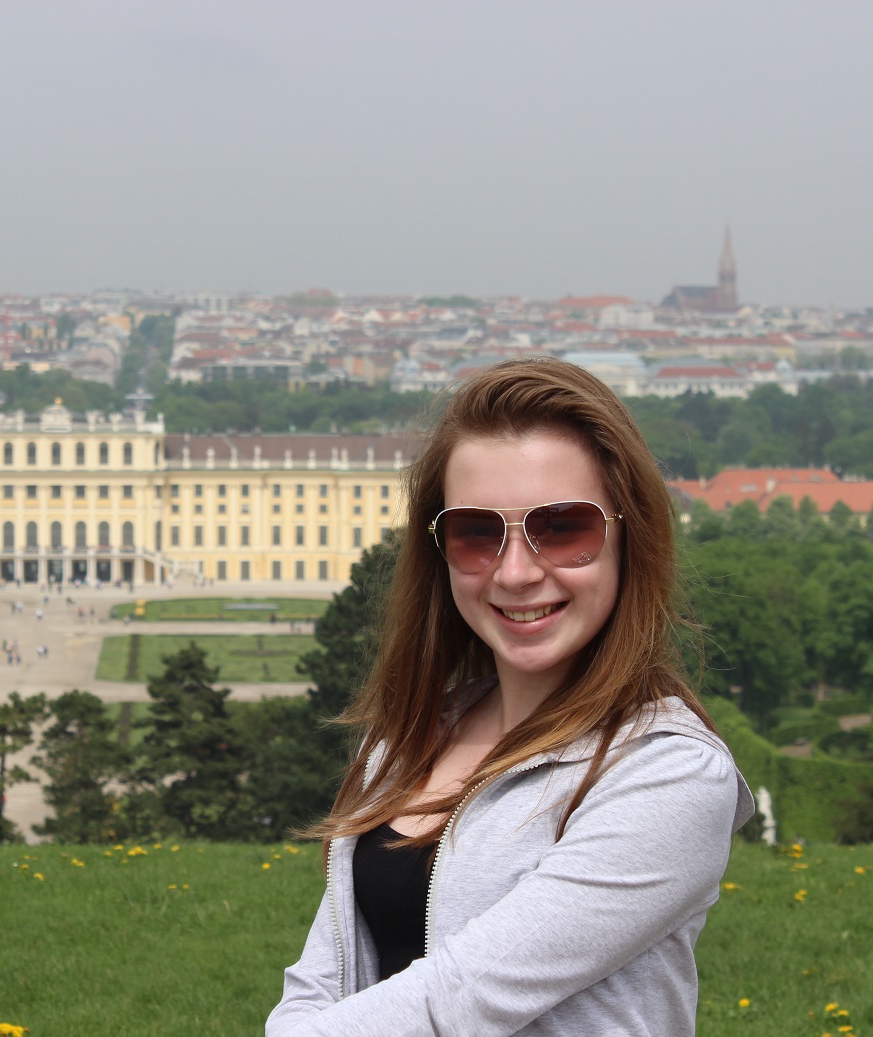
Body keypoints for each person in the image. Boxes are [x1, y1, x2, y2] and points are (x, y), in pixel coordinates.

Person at [268, 358, 753, 1037]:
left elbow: (461, 998)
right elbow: (323, 973)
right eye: (476, 533)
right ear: (439, 550)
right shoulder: (410, 738)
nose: (517, 572)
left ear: (628, 536)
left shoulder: (670, 773)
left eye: (563, 527)